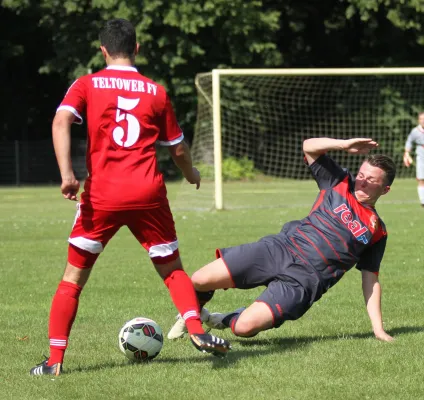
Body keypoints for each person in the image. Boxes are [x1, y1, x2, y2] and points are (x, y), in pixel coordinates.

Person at [30, 19, 230, 376]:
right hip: (148, 193)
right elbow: (179, 150)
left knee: (72, 279)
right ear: (136, 48)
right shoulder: (156, 91)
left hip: (102, 195)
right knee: (171, 270)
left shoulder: (88, 84)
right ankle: (197, 330)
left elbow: (60, 122)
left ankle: (55, 362)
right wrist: (192, 175)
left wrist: (67, 176)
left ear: (103, 50)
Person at [168, 137, 396, 343]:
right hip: (281, 248)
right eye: (361, 175)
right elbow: (308, 146)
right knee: (199, 279)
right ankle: (192, 317)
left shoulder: (377, 231)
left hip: (305, 280)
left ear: (384, 189)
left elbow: (370, 280)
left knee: (243, 328)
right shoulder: (339, 181)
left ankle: (223, 318)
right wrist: (343, 145)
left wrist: (378, 330)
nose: (361, 182)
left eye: (371, 181)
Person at [403, 111, 424, 207]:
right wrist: (406, 153)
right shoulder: (415, 131)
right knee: (422, 179)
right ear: (419, 120)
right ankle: (423, 202)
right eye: (422, 119)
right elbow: (409, 141)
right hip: (421, 157)